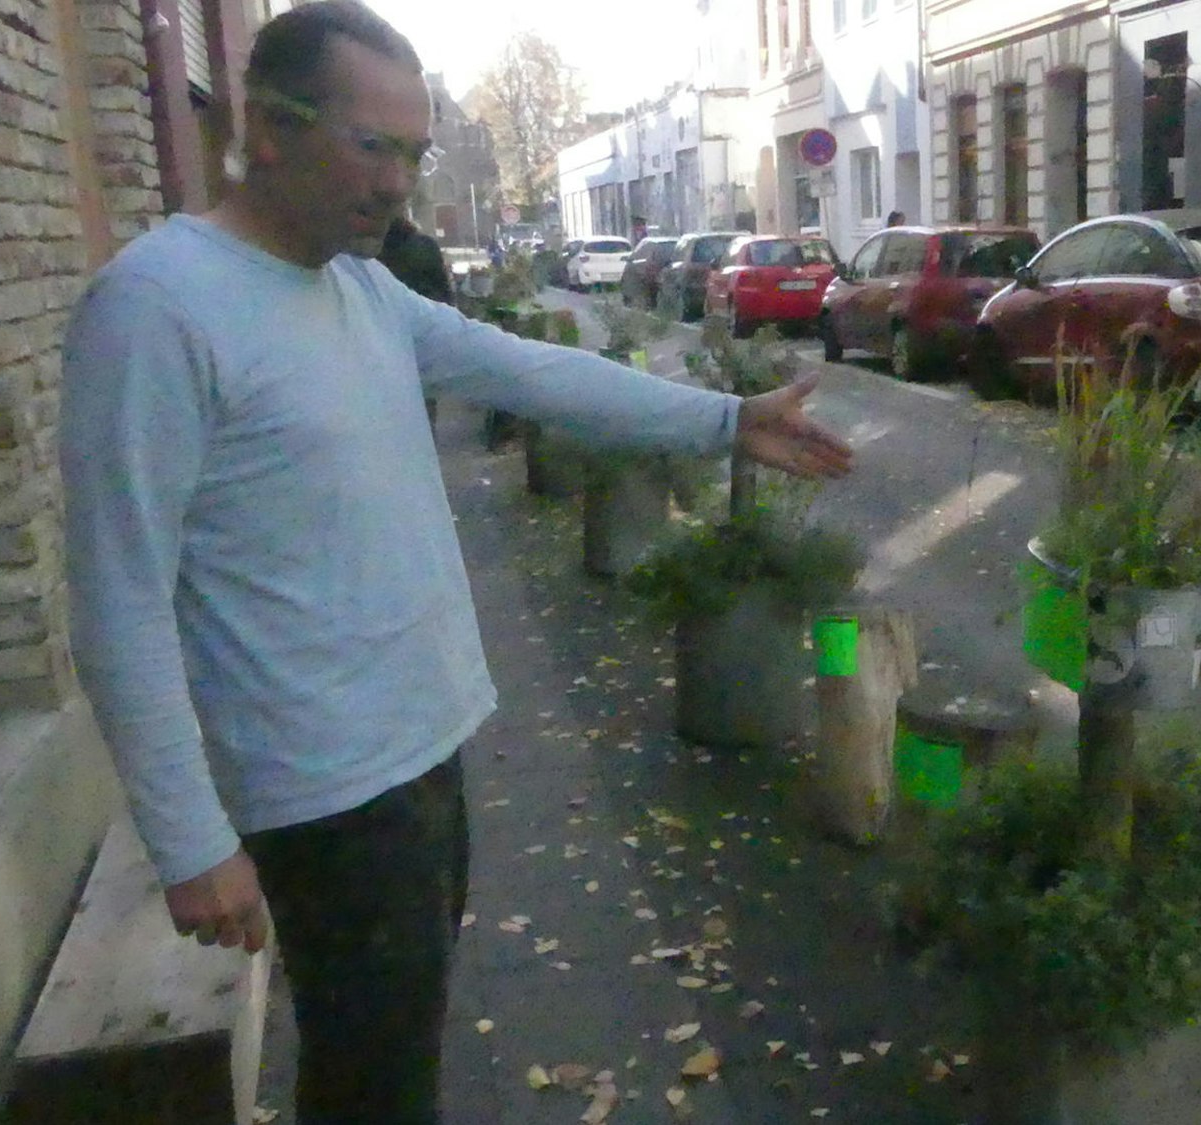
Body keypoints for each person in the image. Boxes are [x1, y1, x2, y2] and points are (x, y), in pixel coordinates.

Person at [56, 4, 854, 1124]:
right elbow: (118, 598)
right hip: (323, 791)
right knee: (373, 1088)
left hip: (422, 752)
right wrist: (190, 840)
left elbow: (526, 370)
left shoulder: (356, 286)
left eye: (413, 153)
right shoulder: (156, 308)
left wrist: (725, 420)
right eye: (368, 145)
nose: (396, 184)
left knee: (396, 1063)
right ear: (265, 130)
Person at [377, 214, 453, 427]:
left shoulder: (373, 254)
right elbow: (444, 288)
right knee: (425, 392)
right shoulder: (425, 245)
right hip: (424, 330)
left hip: (385, 331)